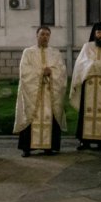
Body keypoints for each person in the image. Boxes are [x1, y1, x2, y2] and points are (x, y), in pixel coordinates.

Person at [13, 26, 67, 157]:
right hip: (32, 93)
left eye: (47, 35)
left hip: (49, 92)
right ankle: (27, 148)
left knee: (50, 116)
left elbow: (61, 70)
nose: (45, 37)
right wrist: (41, 72)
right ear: (37, 36)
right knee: (31, 114)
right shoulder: (28, 52)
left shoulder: (55, 53)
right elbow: (24, 71)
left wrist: (52, 72)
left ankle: (49, 147)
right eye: (42, 34)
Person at [69, 22, 101, 151]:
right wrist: (93, 65)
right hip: (89, 85)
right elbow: (80, 64)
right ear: (94, 34)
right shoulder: (87, 47)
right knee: (86, 112)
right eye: (98, 33)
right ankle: (84, 141)